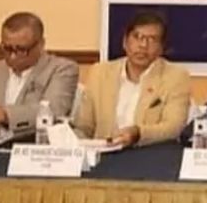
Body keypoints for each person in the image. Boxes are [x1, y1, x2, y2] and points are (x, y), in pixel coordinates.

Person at [73, 10, 191, 147]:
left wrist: (138, 133)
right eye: (137, 37)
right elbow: (83, 126)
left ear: (161, 48)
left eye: (152, 39)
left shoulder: (176, 77)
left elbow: (173, 127)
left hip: (149, 155)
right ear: (125, 42)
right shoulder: (100, 73)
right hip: (103, 154)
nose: (143, 45)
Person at [0, 12, 79, 142]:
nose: (12, 56)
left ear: (41, 44)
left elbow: (53, 111)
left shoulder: (61, 69)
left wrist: (4, 114)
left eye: (21, 50)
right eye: (7, 48)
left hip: (32, 148)